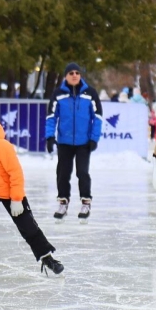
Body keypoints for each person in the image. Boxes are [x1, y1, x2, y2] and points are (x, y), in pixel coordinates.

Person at [0, 108, 64, 276]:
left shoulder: (2, 146)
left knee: (27, 227)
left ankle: (47, 257)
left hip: (10, 191)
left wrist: (17, 198)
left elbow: (15, 172)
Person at [45, 62, 103, 221]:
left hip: (84, 142)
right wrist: (50, 137)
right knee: (63, 173)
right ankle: (63, 201)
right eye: (71, 73)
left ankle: (86, 201)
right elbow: (51, 117)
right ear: (66, 76)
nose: (74, 75)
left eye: (77, 72)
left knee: (82, 172)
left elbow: (97, 117)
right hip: (64, 141)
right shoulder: (58, 94)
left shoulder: (90, 93)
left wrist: (94, 138)